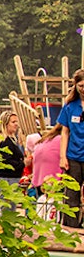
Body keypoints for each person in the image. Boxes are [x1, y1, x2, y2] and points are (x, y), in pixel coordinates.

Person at [39, 68, 84, 228]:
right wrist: (63, 156)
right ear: (76, 86)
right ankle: (71, 227)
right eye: (80, 86)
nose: (83, 89)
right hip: (73, 155)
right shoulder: (70, 106)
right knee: (71, 194)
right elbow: (64, 132)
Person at [0, 110, 25, 185]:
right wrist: (23, 163)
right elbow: (6, 161)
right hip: (4, 179)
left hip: (9, 178)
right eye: (13, 122)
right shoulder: (3, 141)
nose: (16, 124)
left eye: (17, 122)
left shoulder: (11, 139)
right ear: (5, 124)